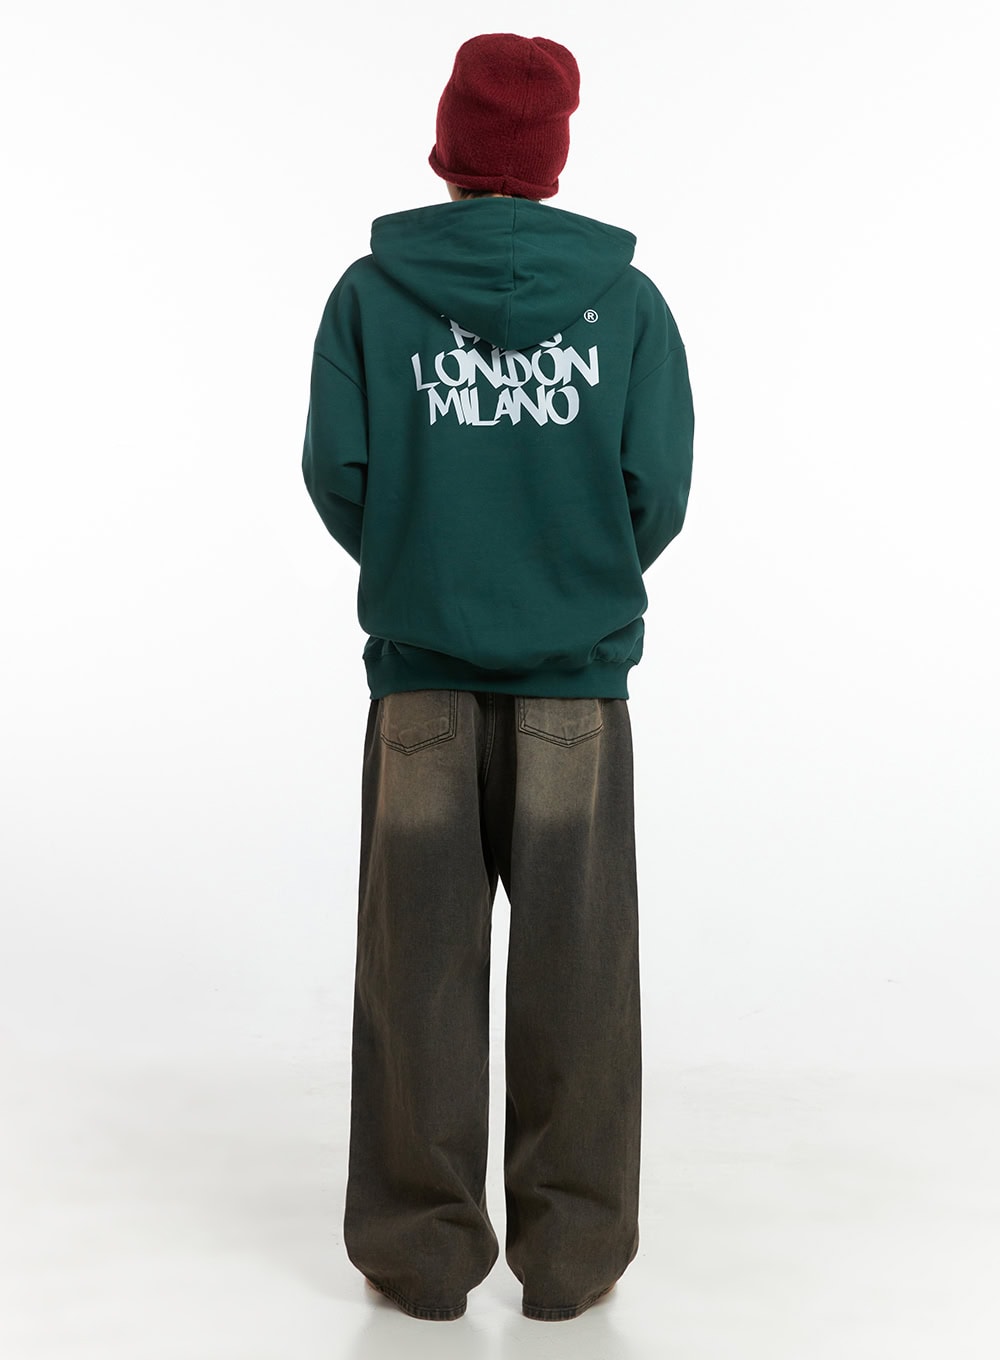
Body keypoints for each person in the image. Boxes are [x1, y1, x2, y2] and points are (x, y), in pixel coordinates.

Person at [301, 31, 694, 1324]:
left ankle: (419, 1258)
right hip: (577, 688)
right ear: (555, 157)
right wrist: (566, 582)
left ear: (450, 147)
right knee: (581, 978)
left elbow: (340, 474)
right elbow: (655, 489)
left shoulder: (372, 296)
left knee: (415, 974)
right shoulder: (627, 306)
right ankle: (573, 1261)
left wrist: (428, 567)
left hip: (420, 685)